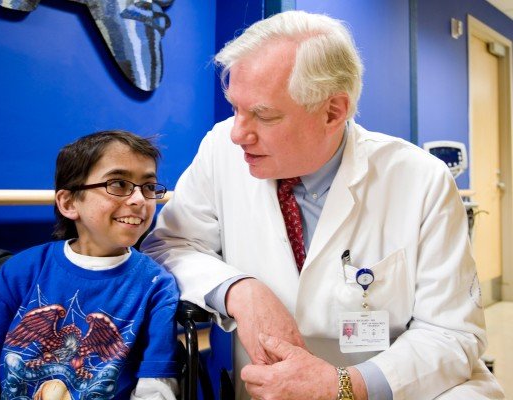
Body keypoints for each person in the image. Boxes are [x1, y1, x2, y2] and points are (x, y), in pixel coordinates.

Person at [141, 10, 505, 400]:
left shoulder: (421, 180)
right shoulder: (219, 152)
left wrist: (346, 385)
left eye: (263, 115)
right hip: (266, 387)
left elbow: (453, 333)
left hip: (396, 387)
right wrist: (239, 290)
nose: (238, 133)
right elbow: (170, 245)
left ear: (333, 111)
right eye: (235, 108)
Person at [0, 130, 179, 400]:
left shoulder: (157, 286)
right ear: (69, 203)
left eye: (149, 187)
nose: (139, 199)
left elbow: (156, 390)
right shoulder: (22, 270)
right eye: (118, 184)